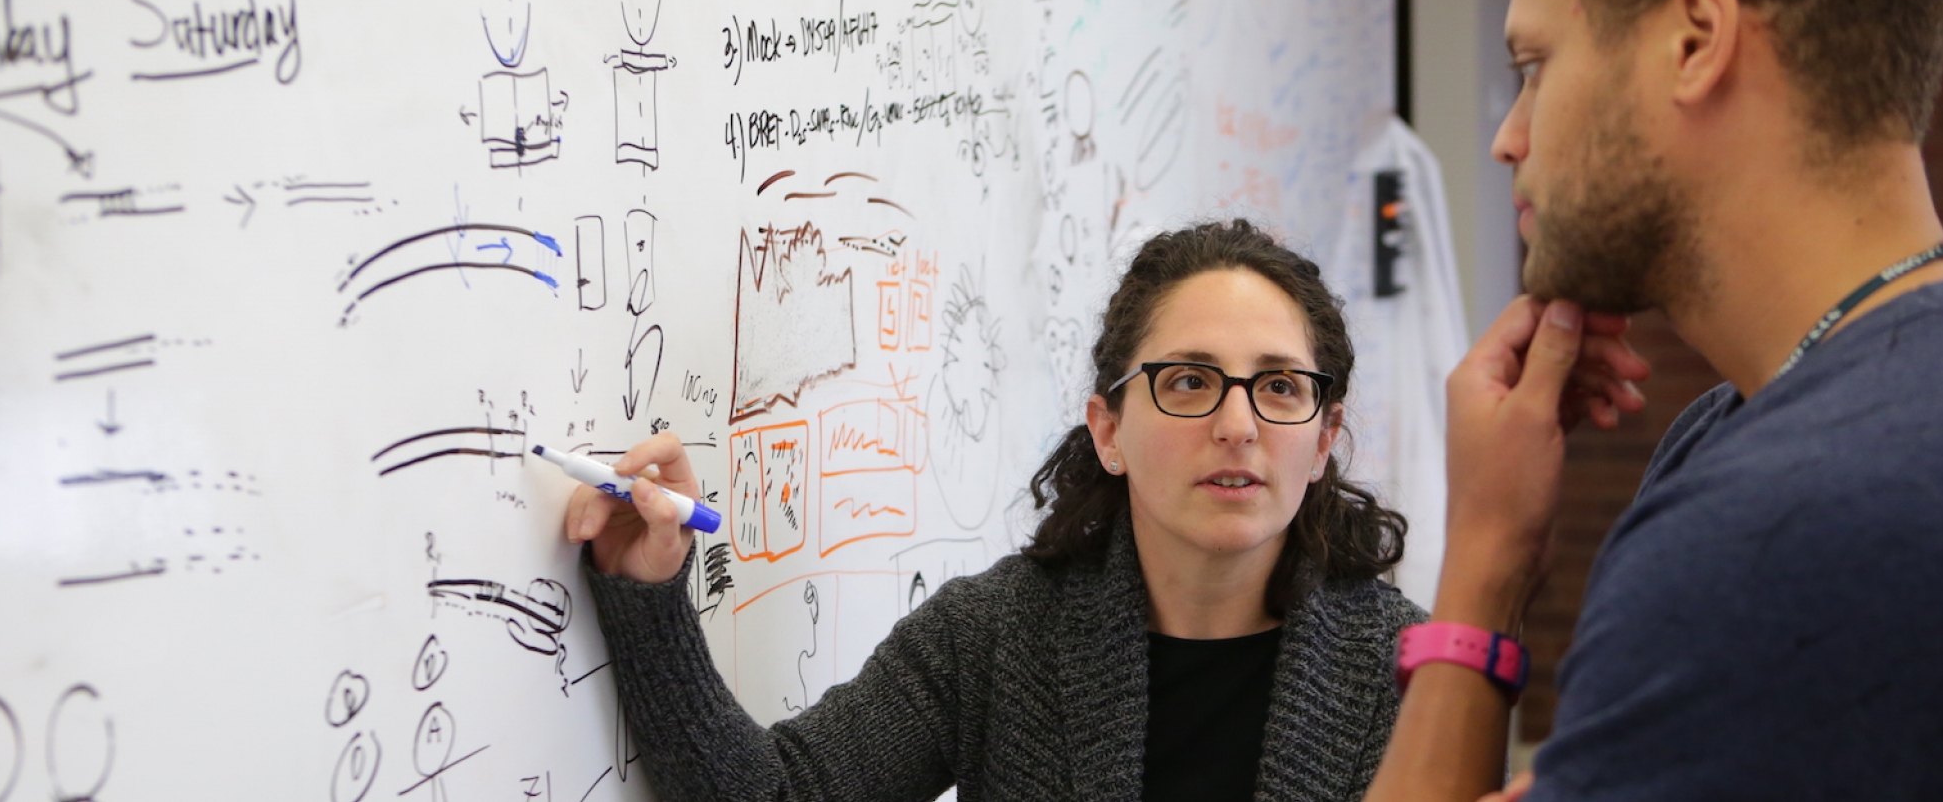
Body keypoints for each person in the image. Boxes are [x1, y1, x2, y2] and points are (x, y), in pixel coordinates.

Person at [1365, 0, 1943, 800]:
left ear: (1695, 39)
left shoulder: (1789, 527)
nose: (1508, 138)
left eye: (1534, 69)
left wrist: (1484, 555)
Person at [566, 220, 1443, 802]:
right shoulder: (996, 634)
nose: (1238, 425)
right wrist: (648, 592)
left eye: (1280, 387)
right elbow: (780, 794)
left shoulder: (1406, 670)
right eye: (1189, 380)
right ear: (1109, 429)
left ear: (1323, 438)